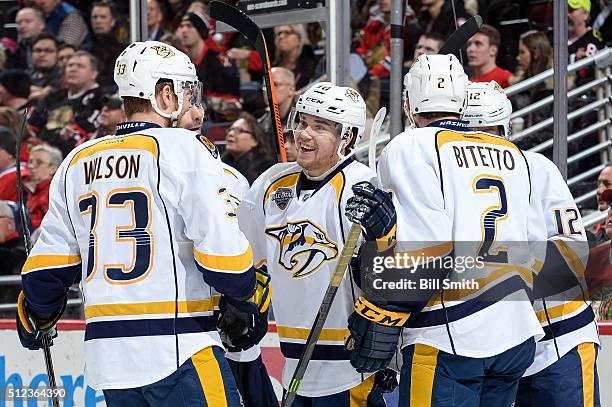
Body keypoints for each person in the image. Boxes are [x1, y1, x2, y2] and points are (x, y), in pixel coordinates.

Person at [16, 40, 267, 406]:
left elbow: (48, 269)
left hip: (110, 361)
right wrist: (246, 294)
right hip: (180, 350)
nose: (191, 100)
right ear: (165, 94)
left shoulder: (77, 160)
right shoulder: (184, 149)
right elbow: (226, 263)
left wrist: (36, 313)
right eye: (185, 90)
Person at [345, 54, 546, 405]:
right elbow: (538, 248)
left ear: (408, 102)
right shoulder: (513, 153)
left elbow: (429, 249)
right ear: (464, 100)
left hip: (451, 335)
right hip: (517, 333)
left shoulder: (410, 145)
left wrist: (384, 312)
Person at [236, 82, 386, 405]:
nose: (304, 134)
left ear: (346, 138)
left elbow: (388, 272)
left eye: (319, 127)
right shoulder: (271, 184)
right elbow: (252, 260)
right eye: (302, 122)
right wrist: (247, 304)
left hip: (350, 371)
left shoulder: (360, 187)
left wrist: (385, 331)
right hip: (292, 364)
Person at [463, 80, 601, 407]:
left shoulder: (537, 169)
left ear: (504, 129)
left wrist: (501, 275)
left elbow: (571, 255)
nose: (481, 142)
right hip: (492, 351)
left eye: (488, 131)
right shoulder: (450, 178)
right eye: (472, 131)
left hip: (556, 343)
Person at [28, 50, 104, 156]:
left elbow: (83, 133)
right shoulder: (54, 97)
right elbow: (31, 125)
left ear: (94, 74)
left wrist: (50, 140)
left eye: (80, 66)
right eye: (70, 65)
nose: (73, 69)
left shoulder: (100, 99)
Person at [82, 1, 126, 93]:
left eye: (103, 17)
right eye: (94, 17)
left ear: (112, 21)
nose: (98, 21)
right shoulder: (84, 50)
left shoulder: (123, 52)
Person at [221, 112, 276, 184]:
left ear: (255, 140)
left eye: (239, 130)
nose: (230, 134)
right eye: (230, 129)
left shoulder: (265, 168)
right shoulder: (221, 162)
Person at [24, 144, 62, 230]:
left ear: (52, 168)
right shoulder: (31, 190)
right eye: (30, 161)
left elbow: (53, 227)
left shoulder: (53, 192)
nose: (31, 166)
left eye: (39, 162)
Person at [568, 0, 604, 86]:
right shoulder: (554, 37)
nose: (567, 14)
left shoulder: (593, 40)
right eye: (565, 10)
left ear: (586, 15)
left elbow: (586, 73)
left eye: (571, 10)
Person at [273, 24, 317, 90]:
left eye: (287, 33)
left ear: (299, 39)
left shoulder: (309, 66)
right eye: (279, 33)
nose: (281, 36)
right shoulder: (272, 68)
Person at [258, 67, 296, 139]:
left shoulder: (303, 120)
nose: (268, 90)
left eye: (275, 84)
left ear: (291, 90)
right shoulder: (261, 124)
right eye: (265, 85)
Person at [27, 33, 61, 100]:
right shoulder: (25, 76)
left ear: (58, 54)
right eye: (37, 50)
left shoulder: (63, 77)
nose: (42, 54)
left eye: (48, 50)